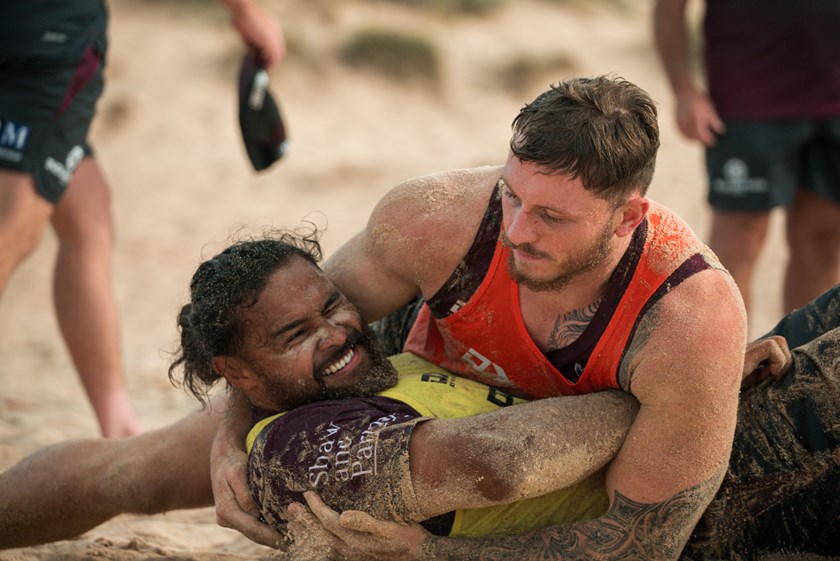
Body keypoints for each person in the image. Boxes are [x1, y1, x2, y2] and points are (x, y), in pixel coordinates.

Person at [2, 73, 750, 560]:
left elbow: (642, 542)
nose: (519, 229)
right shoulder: (440, 218)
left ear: (629, 216)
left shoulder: (687, 319)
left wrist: (428, 558)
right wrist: (228, 441)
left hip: (546, 462)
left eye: (552, 216)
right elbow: (287, 324)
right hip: (396, 378)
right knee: (135, 471)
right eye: (514, 195)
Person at [1, 233, 836, 560]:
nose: (333, 328)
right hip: (709, 471)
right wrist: (693, 386)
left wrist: (701, 364)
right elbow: (498, 466)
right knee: (130, 472)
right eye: (297, 334)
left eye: (331, 306)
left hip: (706, 420)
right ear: (243, 373)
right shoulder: (309, 443)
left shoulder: (382, 316)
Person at [0, 0, 285, 437]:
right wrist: (246, 11)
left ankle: (118, 424)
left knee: (87, 217)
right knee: (15, 228)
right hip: (48, 27)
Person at [653, 0, 840, 316]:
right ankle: (726, 365)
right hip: (748, 95)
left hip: (834, 100)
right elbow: (669, 6)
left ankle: (804, 363)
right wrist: (684, 90)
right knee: (735, 247)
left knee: (823, 244)